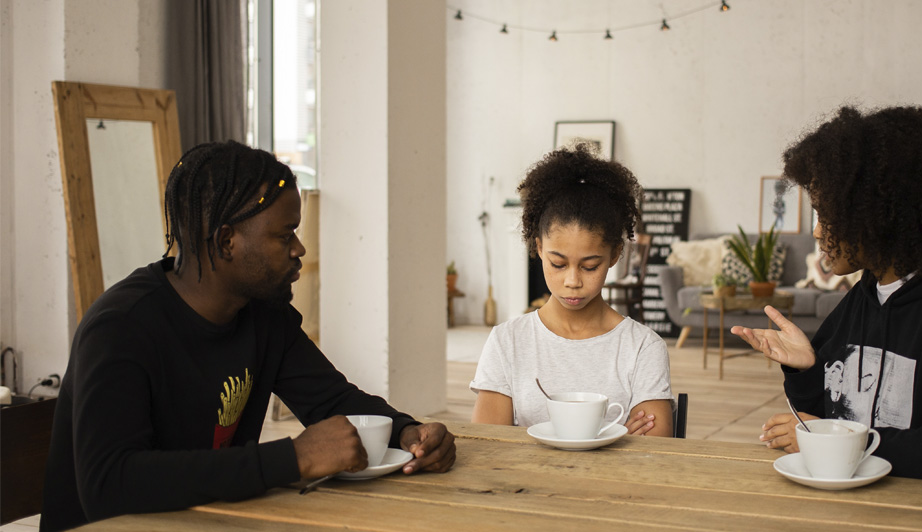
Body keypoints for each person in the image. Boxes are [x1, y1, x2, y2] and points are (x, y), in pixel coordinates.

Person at [41, 141, 457, 531]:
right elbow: (109, 485)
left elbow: (332, 400)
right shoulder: (121, 328)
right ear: (227, 241)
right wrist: (290, 458)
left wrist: (407, 431)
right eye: (284, 234)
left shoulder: (263, 316)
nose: (299, 249)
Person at [732, 106, 922, 484]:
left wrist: (851, 444)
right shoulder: (865, 296)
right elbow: (829, 417)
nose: (816, 232)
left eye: (826, 214)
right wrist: (807, 369)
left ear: (877, 214)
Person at [470, 145, 674, 437]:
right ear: (538, 248)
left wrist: (530, 435)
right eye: (557, 263)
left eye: (590, 266)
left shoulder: (642, 347)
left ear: (616, 254)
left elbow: (654, 453)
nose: (572, 281)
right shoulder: (507, 342)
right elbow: (489, 445)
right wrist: (615, 437)